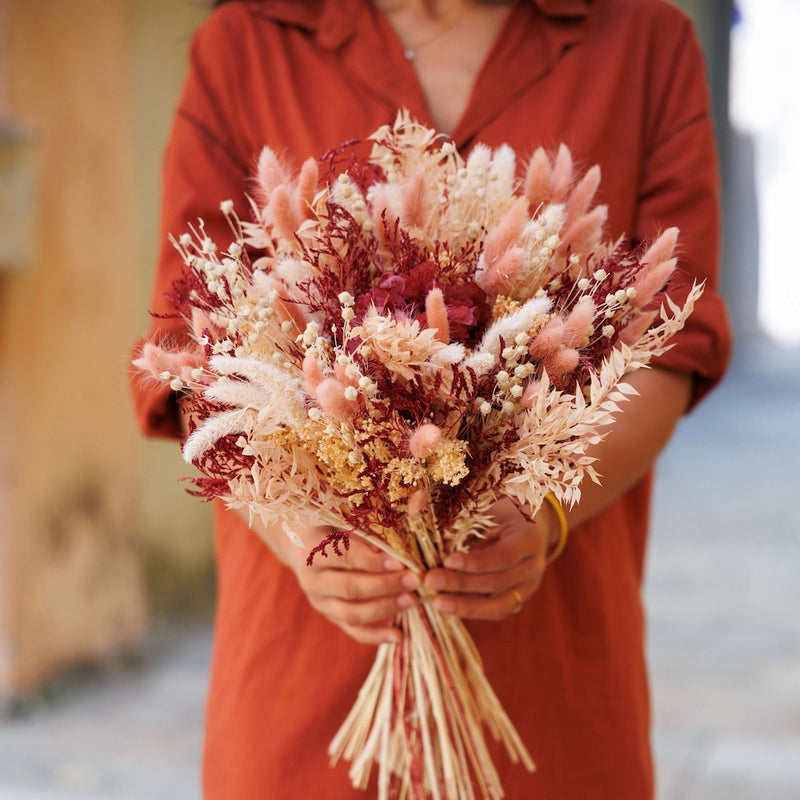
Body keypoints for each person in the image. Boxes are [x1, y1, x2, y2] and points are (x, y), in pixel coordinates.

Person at [130, 1, 732, 797]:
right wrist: (299, 528)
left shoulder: (646, 42)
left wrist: (544, 510)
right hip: (306, 691)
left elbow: (672, 342)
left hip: (548, 695)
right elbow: (190, 349)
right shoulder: (244, 45)